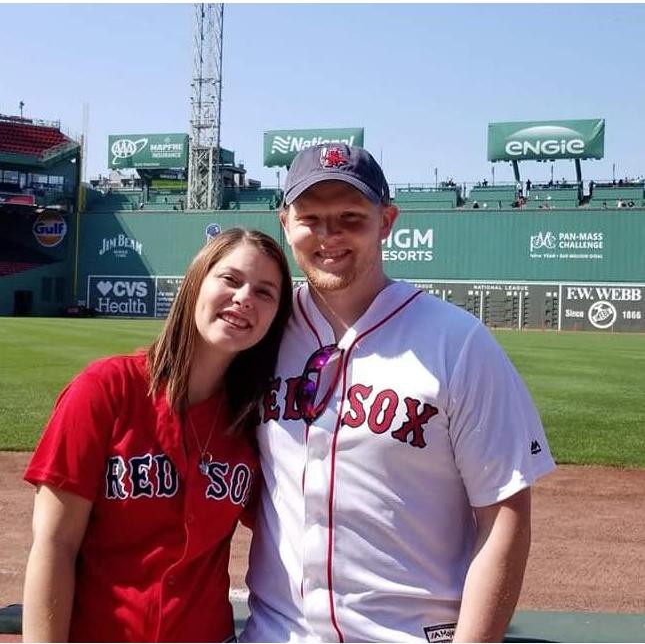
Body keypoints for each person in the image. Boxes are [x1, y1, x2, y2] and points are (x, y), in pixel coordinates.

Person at [240, 145, 555, 643]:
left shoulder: (457, 342)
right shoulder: (260, 333)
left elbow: (504, 515)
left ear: (386, 221)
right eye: (312, 218)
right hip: (276, 633)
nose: (329, 235)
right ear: (285, 222)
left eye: (350, 217)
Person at [22, 227, 293, 642]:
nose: (244, 298)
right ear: (196, 282)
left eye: (265, 292)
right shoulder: (105, 390)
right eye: (231, 280)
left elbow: (294, 527)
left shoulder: (253, 422)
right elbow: (54, 543)